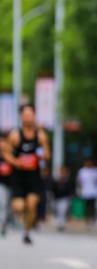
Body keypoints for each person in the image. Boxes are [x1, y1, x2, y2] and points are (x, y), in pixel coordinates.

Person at [2, 104, 51, 245]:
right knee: (19, 207)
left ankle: (26, 232)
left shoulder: (40, 135)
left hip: (34, 177)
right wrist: (15, 162)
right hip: (18, 177)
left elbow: (47, 153)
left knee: (32, 204)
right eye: (25, 115)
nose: (28, 117)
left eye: (30, 115)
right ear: (21, 117)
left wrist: (44, 155)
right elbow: (6, 153)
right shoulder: (15, 135)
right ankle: (13, 217)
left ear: (34, 116)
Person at [77, 158, 97, 226]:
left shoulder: (95, 171)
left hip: (94, 191)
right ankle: (87, 218)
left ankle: (93, 218)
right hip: (85, 191)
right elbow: (79, 181)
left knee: (93, 206)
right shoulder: (82, 171)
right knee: (86, 206)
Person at [51, 166, 74, 231]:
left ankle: (61, 224)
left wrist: (71, 196)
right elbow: (52, 188)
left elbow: (70, 189)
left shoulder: (67, 180)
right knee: (57, 211)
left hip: (64, 198)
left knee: (63, 211)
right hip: (56, 198)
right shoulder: (56, 180)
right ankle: (58, 223)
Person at [0, 134, 13, 237]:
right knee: (2, 204)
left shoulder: (11, 155)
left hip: (10, 184)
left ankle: (5, 223)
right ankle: (2, 224)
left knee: (8, 206)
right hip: (1, 184)